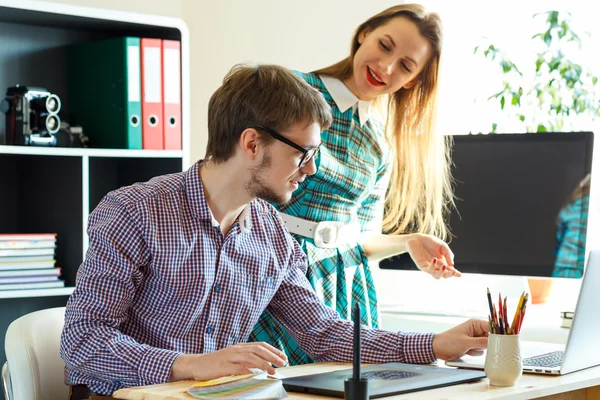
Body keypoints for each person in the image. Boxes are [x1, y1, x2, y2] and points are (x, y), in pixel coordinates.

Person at [60, 64, 488, 397]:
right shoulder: (134, 212)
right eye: (304, 153)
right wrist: (191, 364)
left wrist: (436, 344)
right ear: (251, 144)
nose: (312, 169)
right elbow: (83, 342)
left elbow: (324, 335)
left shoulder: (272, 237)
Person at [250, 4, 460, 365]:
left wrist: (408, 243)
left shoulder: (380, 143)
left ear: (411, 81)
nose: (386, 66)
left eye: (406, 66)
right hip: (273, 272)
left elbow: (359, 237)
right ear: (365, 34)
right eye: (385, 45)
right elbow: (242, 180)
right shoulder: (294, 91)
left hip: (342, 286)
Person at [552, 174, 591, 278]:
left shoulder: (573, 204)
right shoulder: (591, 205)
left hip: (560, 270)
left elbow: (558, 240)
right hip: (582, 272)